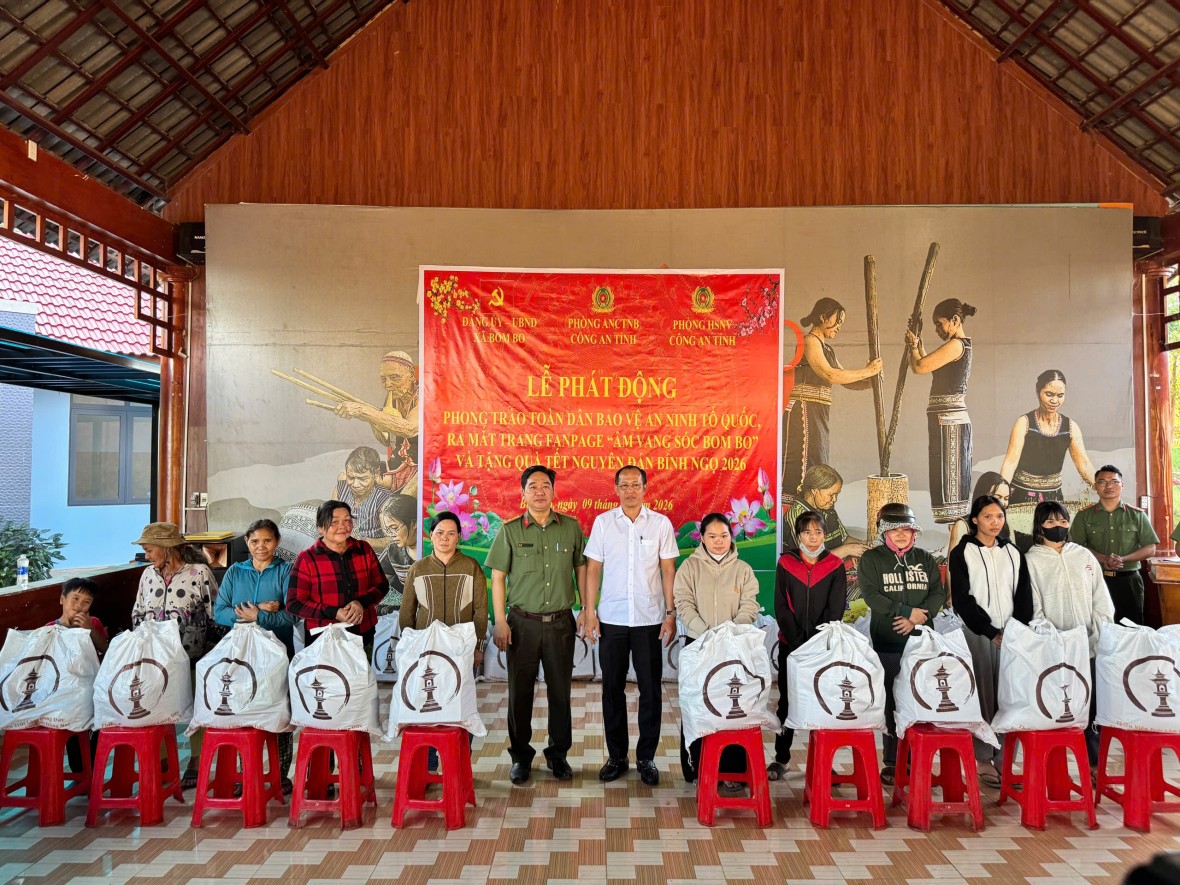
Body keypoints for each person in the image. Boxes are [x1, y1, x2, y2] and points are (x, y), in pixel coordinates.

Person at [486, 465, 587, 785]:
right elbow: (498, 578)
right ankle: (520, 757)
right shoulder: (510, 531)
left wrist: (586, 609)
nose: (539, 491)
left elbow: (581, 569)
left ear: (554, 491)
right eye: (533, 486)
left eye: (545, 485)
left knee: (560, 692)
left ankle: (558, 755)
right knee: (520, 693)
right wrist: (499, 621)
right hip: (521, 624)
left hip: (560, 623)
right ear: (523, 493)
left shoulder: (570, 528)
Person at [581, 466, 679, 786]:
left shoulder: (660, 524)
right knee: (612, 689)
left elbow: (668, 570)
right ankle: (617, 757)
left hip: (649, 620)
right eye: (624, 485)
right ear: (616, 489)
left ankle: (646, 758)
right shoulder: (604, 523)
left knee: (650, 690)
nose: (630, 490)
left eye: (635, 485)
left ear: (645, 488)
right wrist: (590, 611)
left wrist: (670, 613)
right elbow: (593, 569)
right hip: (612, 619)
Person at [947, 495, 1032, 787]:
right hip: (978, 633)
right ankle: (983, 757)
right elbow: (962, 599)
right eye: (987, 517)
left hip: (1011, 635)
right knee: (983, 695)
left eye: (999, 516)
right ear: (975, 520)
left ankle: (1005, 759)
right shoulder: (963, 552)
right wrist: (990, 631)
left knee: (1010, 697)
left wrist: (1015, 630)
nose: (995, 522)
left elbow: (1024, 595)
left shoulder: (1013, 552)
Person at [858, 503, 945, 785]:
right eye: (893, 529)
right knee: (892, 702)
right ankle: (893, 761)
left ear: (914, 532)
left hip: (921, 645)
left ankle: (918, 758)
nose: (900, 534)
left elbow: (937, 593)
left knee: (921, 698)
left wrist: (918, 619)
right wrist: (906, 612)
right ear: (883, 531)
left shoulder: (925, 559)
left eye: (906, 529)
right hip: (888, 644)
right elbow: (872, 596)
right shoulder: (871, 559)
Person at [672, 512, 760, 785]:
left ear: (731, 536)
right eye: (712, 536)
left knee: (732, 707)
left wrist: (730, 633)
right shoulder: (690, 567)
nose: (718, 541)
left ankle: (732, 771)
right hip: (700, 646)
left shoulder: (743, 569)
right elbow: (683, 603)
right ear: (702, 538)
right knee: (698, 707)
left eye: (723, 536)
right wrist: (707, 634)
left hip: (734, 648)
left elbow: (750, 604)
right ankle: (697, 769)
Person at [1026, 500, 1114, 764]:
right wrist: (1055, 639)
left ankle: (1093, 765)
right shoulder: (1031, 560)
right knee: (1057, 705)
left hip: (1089, 647)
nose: (1058, 526)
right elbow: (1034, 607)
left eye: (1063, 521)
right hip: (1055, 650)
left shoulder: (1084, 556)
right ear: (1039, 526)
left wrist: (1096, 634)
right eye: (1050, 521)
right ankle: (1054, 766)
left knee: (1092, 705)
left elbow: (1101, 600)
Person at [130, 521, 217, 789]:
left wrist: (211, 650)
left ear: (167, 548)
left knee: (197, 706)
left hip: (193, 653)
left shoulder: (199, 573)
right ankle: (163, 760)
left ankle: (196, 760)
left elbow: (214, 612)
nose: (147, 556)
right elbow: (137, 612)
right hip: (156, 657)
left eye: (149, 550)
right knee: (157, 705)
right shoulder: (147, 575)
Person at [400, 510, 489, 772]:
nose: (445, 538)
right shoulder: (418, 569)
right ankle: (428, 763)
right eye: (439, 533)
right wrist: (409, 648)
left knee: (462, 704)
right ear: (430, 536)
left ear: (459, 536)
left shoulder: (471, 567)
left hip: (461, 651)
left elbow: (481, 611)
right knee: (427, 703)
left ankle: (460, 764)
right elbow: (407, 613)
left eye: (451, 533)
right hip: (426, 651)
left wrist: (477, 647)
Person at [213, 518, 296, 793]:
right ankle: (245, 774)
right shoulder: (235, 572)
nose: (261, 546)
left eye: (267, 540)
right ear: (247, 543)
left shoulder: (286, 571)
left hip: (277, 654)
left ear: (277, 541)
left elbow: (291, 616)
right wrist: (257, 609)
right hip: (241, 655)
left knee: (279, 712)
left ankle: (280, 777)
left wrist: (259, 618)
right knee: (243, 710)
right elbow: (219, 612)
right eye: (255, 541)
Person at [767, 510, 847, 781]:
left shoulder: (835, 566)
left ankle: (823, 760)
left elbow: (835, 609)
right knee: (787, 702)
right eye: (807, 532)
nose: (813, 538)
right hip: (790, 645)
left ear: (825, 535)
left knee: (822, 702)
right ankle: (781, 758)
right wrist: (797, 642)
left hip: (822, 647)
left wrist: (816, 642)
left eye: (818, 532)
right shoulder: (786, 563)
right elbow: (781, 606)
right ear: (798, 535)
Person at [782, 298, 882, 505]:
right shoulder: (810, 341)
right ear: (823, 317)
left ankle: (811, 510)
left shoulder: (827, 349)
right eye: (837, 321)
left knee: (817, 463)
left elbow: (845, 379)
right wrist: (867, 371)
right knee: (802, 466)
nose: (839, 327)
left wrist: (871, 380)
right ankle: (794, 511)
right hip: (803, 412)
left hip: (817, 413)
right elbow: (829, 374)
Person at [905, 298, 975, 524]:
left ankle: (957, 539)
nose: (937, 329)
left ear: (955, 320)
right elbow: (929, 365)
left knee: (952, 497)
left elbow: (920, 366)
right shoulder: (955, 346)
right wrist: (917, 342)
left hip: (950, 423)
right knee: (945, 491)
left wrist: (913, 346)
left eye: (939, 324)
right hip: (944, 422)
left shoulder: (957, 345)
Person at [286, 500, 388, 646]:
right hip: (323, 637)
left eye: (347, 520)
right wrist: (334, 612)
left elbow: (382, 585)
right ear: (320, 527)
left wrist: (361, 603)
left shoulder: (363, 549)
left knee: (363, 662)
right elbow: (294, 603)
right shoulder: (307, 558)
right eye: (334, 522)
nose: (342, 526)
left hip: (363, 631)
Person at [1069, 465, 1158, 625]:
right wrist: (1103, 558)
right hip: (1095, 579)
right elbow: (1075, 547)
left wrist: (1123, 559)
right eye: (1102, 482)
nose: (1108, 486)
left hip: (1129, 581)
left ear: (1122, 486)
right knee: (1098, 627)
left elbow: (1150, 548)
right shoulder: (1084, 516)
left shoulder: (1136, 515)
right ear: (1095, 487)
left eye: (1114, 481)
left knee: (1131, 627)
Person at [999, 369, 1096, 505]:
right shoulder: (1024, 423)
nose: (1054, 400)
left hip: (1053, 498)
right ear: (1038, 392)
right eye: (1049, 394)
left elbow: (1084, 465)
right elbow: (1011, 462)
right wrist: (1001, 491)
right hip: (1021, 495)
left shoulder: (1071, 427)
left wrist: (1102, 485)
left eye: (1060, 395)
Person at [332, 350, 419, 494]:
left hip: (420, 469)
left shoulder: (424, 395)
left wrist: (364, 411)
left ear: (411, 374)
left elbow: (409, 429)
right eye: (383, 379)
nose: (388, 384)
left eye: (394, 377)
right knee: (344, 482)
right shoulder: (392, 399)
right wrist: (369, 418)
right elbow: (387, 440)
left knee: (399, 502)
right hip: (396, 466)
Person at [782, 464, 870, 602]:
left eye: (836, 494)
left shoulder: (828, 511)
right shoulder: (799, 516)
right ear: (815, 490)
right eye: (831, 494)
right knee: (869, 593)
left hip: (836, 573)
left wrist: (864, 545)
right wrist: (847, 550)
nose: (834, 499)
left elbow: (844, 538)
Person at [49, 577, 107, 772]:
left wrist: (89, 629)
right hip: (62, 695)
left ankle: (93, 773)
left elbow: (106, 650)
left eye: (86, 602)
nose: (79, 606)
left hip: (90, 692)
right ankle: (80, 773)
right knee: (73, 737)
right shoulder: (50, 629)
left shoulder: (93, 623)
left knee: (93, 734)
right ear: (62, 599)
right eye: (75, 598)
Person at [331, 446, 394, 546]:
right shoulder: (340, 490)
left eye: (362, 479)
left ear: (376, 474)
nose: (355, 484)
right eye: (351, 477)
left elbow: (392, 539)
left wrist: (361, 541)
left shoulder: (385, 500)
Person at [377, 494, 419, 611]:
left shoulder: (433, 552)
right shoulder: (393, 551)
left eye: (395, 528)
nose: (391, 535)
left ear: (414, 523)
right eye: (388, 530)